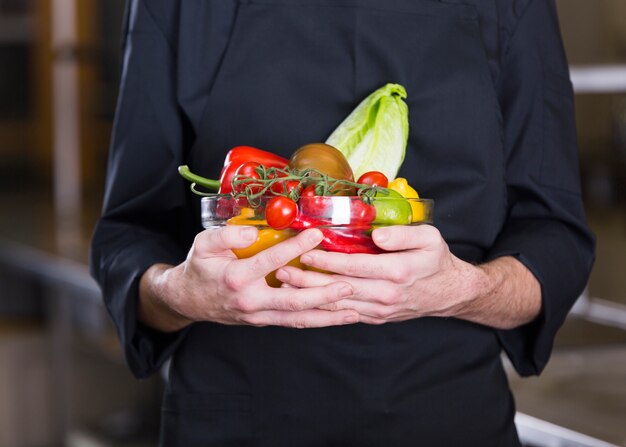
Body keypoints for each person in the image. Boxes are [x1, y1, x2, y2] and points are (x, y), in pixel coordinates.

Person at [90, 0, 595, 445]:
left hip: (444, 418)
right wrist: (180, 292)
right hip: (236, 420)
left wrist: (464, 289)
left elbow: (555, 240)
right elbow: (127, 238)